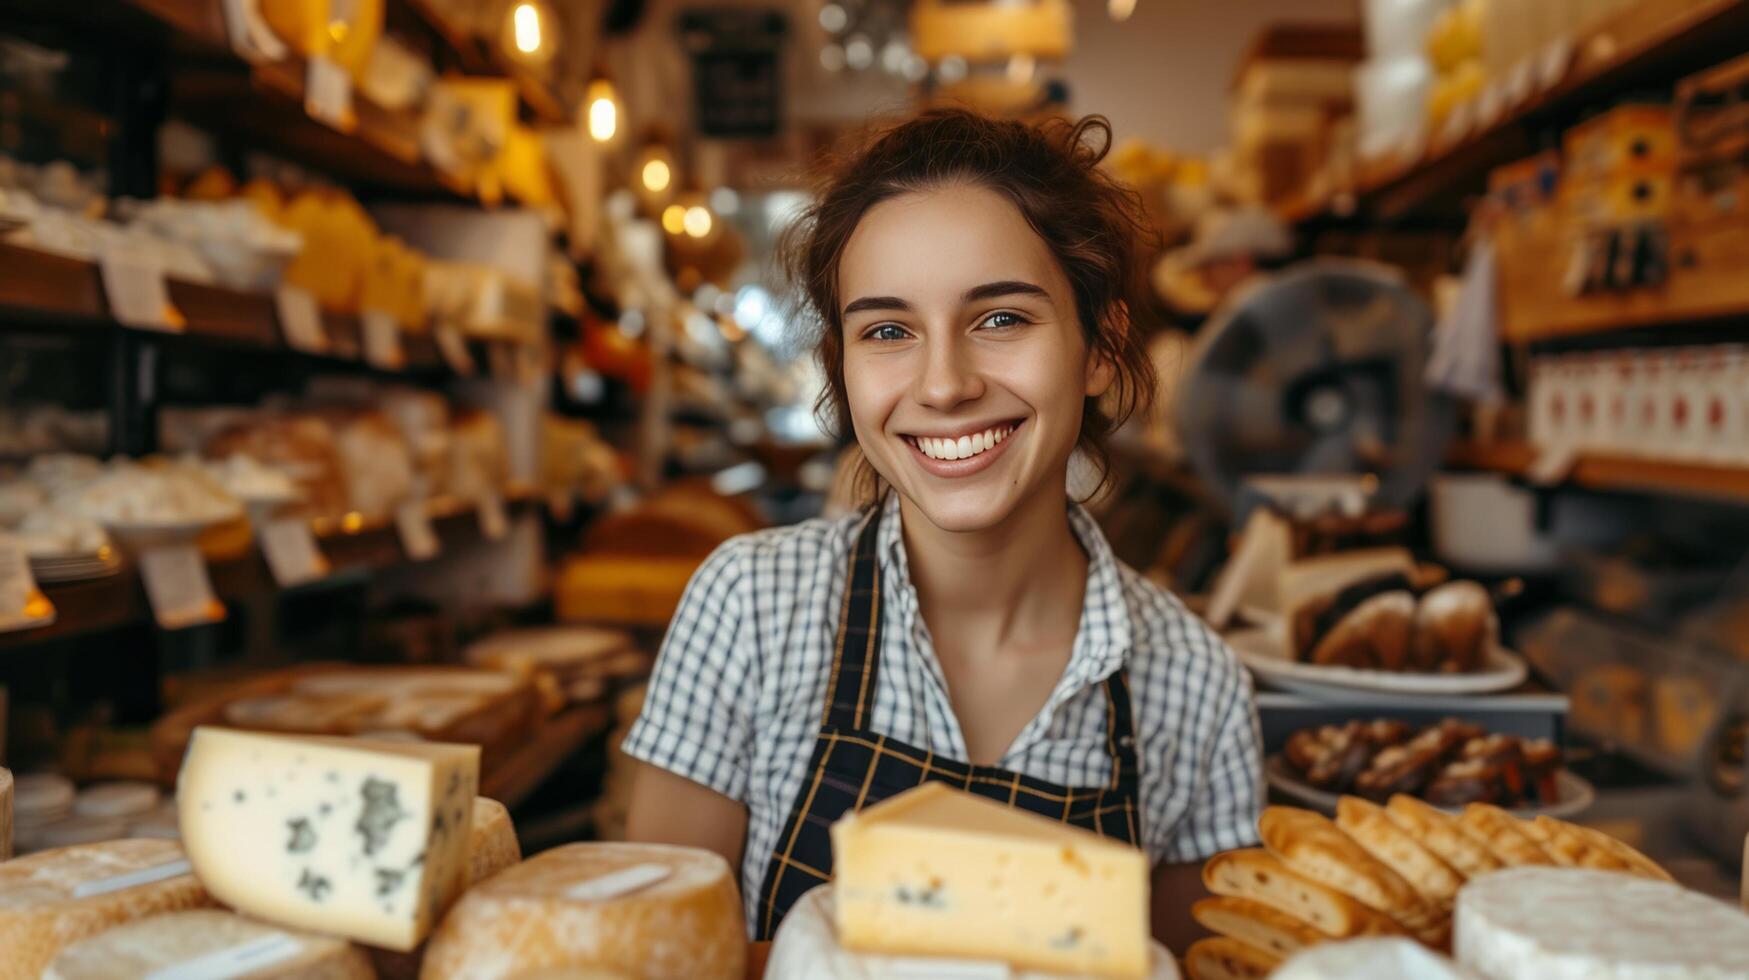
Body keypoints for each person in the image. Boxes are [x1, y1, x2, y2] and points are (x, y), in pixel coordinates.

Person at [623, 108, 1261, 951]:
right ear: (842, 370)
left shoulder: (1194, 686)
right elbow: (650, 961)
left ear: (1100, 348)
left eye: (1000, 319)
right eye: (887, 331)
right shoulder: (750, 606)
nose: (945, 384)